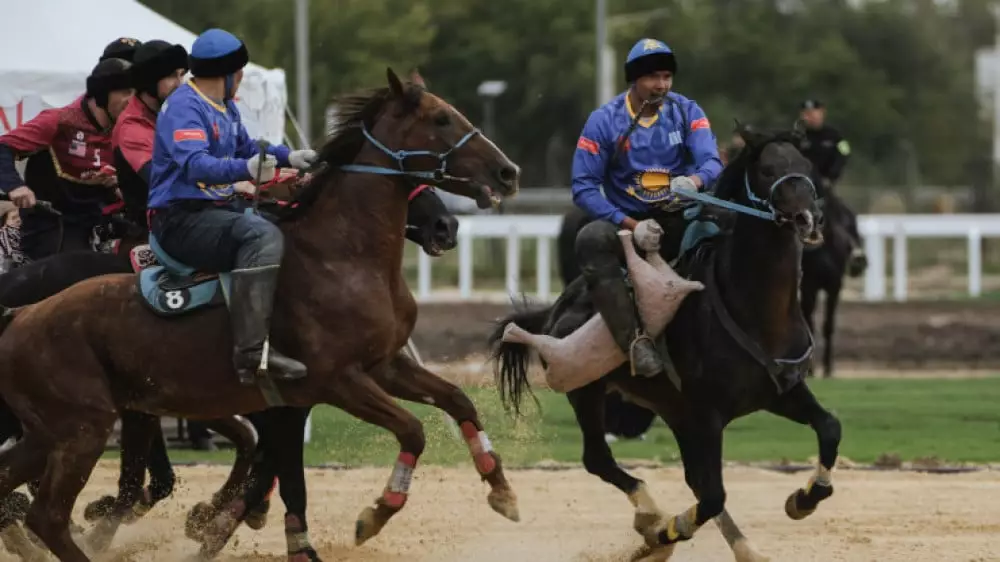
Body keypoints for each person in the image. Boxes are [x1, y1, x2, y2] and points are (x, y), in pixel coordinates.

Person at [147, 29, 317, 385]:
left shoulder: (225, 107)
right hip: (178, 220)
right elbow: (196, 165)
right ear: (227, 74)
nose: (240, 78)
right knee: (261, 235)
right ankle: (251, 355)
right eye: (238, 72)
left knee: (291, 225)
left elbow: (247, 148)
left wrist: (291, 155)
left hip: (213, 212)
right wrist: (246, 169)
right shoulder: (183, 107)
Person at [571, 38, 723, 378]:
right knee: (590, 239)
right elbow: (582, 187)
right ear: (634, 80)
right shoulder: (603, 121)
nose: (662, 85)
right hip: (628, 225)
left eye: (667, 76)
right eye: (653, 77)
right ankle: (635, 344)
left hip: (682, 216)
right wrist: (630, 224)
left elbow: (712, 162)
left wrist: (695, 183)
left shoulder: (687, 111)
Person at [0, 57, 134, 261]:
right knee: (77, 270)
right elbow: (3, 147)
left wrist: (118, 185)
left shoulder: (125, 128)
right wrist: (14, 185)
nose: (132, 100)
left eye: (135, 92)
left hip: (98, 221)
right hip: (53, 223)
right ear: (101, 93)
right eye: (126, 91)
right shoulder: (58, 120)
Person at [113, 40, 189, 230]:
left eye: (182, 75)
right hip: (155, 225)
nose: (180, 84)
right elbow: (165, 178)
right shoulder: (132, 126)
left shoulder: (172, 114)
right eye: (172, 76)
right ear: (150, 79)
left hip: (187, 214)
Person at [797, 99, 849, 198]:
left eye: (813, 114)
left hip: (827, 184)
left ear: (822, 113)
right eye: (806, 114)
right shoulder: (797, 136)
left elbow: (845, 153)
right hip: (802, 185)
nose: (809, 117)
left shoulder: (835, 135)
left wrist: (832, 176)